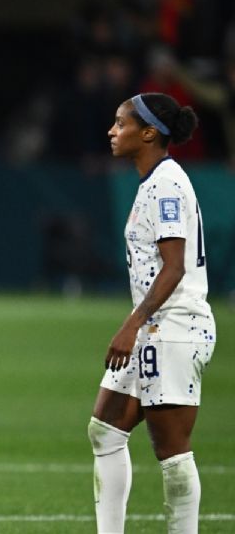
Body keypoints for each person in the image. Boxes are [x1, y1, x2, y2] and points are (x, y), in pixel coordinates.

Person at [91, 92, 215, 534]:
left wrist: (132, 323)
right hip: (154, 328)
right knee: (104, 429)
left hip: (175, 328)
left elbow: (174, 266)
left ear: (148, 134)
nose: (112, 131)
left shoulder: (166, 184)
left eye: (121, 124)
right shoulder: (154, 181)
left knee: (173, 452)